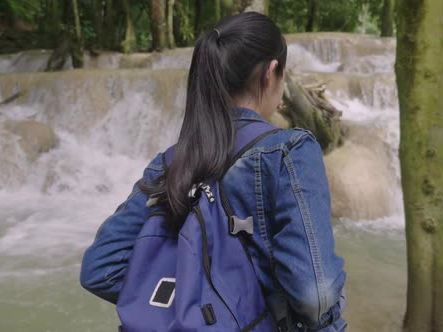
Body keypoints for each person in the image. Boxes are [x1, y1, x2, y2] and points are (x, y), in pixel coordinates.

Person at [80, 12, 346, 331]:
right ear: (271, 73)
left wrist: (190, 306)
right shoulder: (289, 151)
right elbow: (315, 296)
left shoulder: (170, 162)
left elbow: (101, 268)